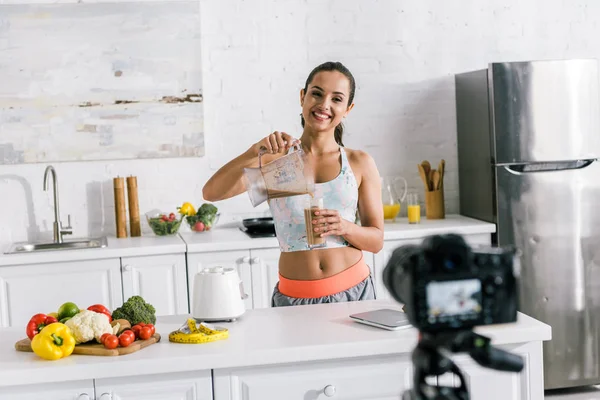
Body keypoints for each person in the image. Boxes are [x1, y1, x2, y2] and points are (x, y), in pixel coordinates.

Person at [202, 61, 384, 306]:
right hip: (294, 297)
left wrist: (344, 227)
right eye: (317, 93)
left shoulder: (358, 162)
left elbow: (376, 241)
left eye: (337, 99)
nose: (324, 105)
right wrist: (253, 152)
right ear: (303, 97)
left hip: (354, 291)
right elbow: (211, 193)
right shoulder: (278, 161)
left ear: (348, 108)